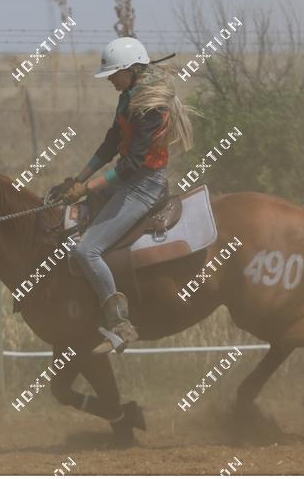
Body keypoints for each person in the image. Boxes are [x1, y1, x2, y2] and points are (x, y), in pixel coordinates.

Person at [47, 38, 196, 354]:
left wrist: (88, 188)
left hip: (144, 186)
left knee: (87, 251)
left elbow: (131, 165)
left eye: (114, 74)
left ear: (131, 71)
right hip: (128, 180)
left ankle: (121, 325)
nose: (111, 81)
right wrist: (78, 179)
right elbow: (110, 144)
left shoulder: (151, 108)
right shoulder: (127, 97)